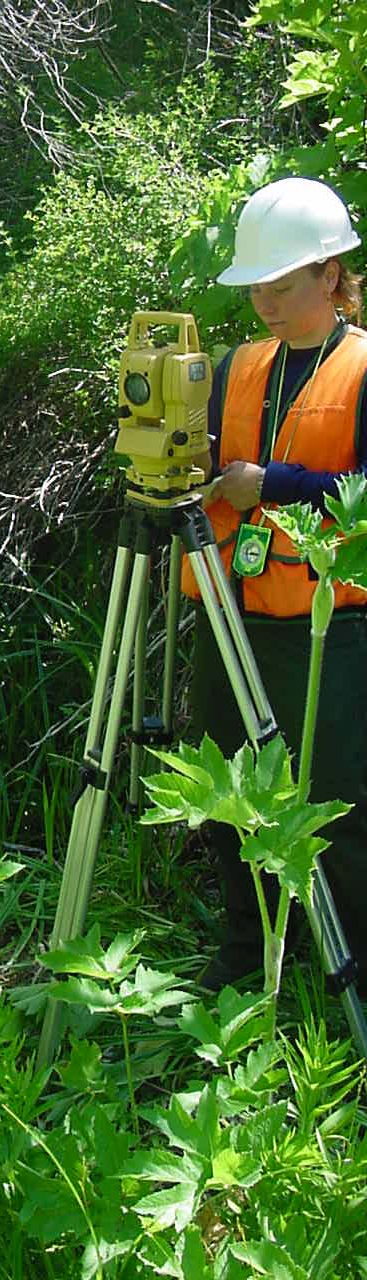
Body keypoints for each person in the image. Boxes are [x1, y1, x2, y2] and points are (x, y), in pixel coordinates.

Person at [180, 176, 367, 990]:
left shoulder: (362, 368)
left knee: (335, 805)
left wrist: (278, 485)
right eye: (256, 287)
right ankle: (250, 954)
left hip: (326, 629)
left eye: (281, 287)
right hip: (228, 614)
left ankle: (352, 972)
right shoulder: (237, 367)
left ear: (330, 275)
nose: (264, 304)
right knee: (231, 799)